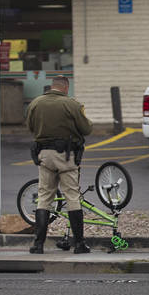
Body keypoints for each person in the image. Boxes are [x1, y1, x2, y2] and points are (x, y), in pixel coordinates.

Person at [25, 76, 94, 254]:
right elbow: (87, 129)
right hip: (66, 156)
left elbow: (30, 127)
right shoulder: (72, 104)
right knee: (72, 196)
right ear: (65, 88)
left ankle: (38, 244)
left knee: (44, 197)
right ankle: (79, 244)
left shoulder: (35, 103)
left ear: (51, 87)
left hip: (45, 155)